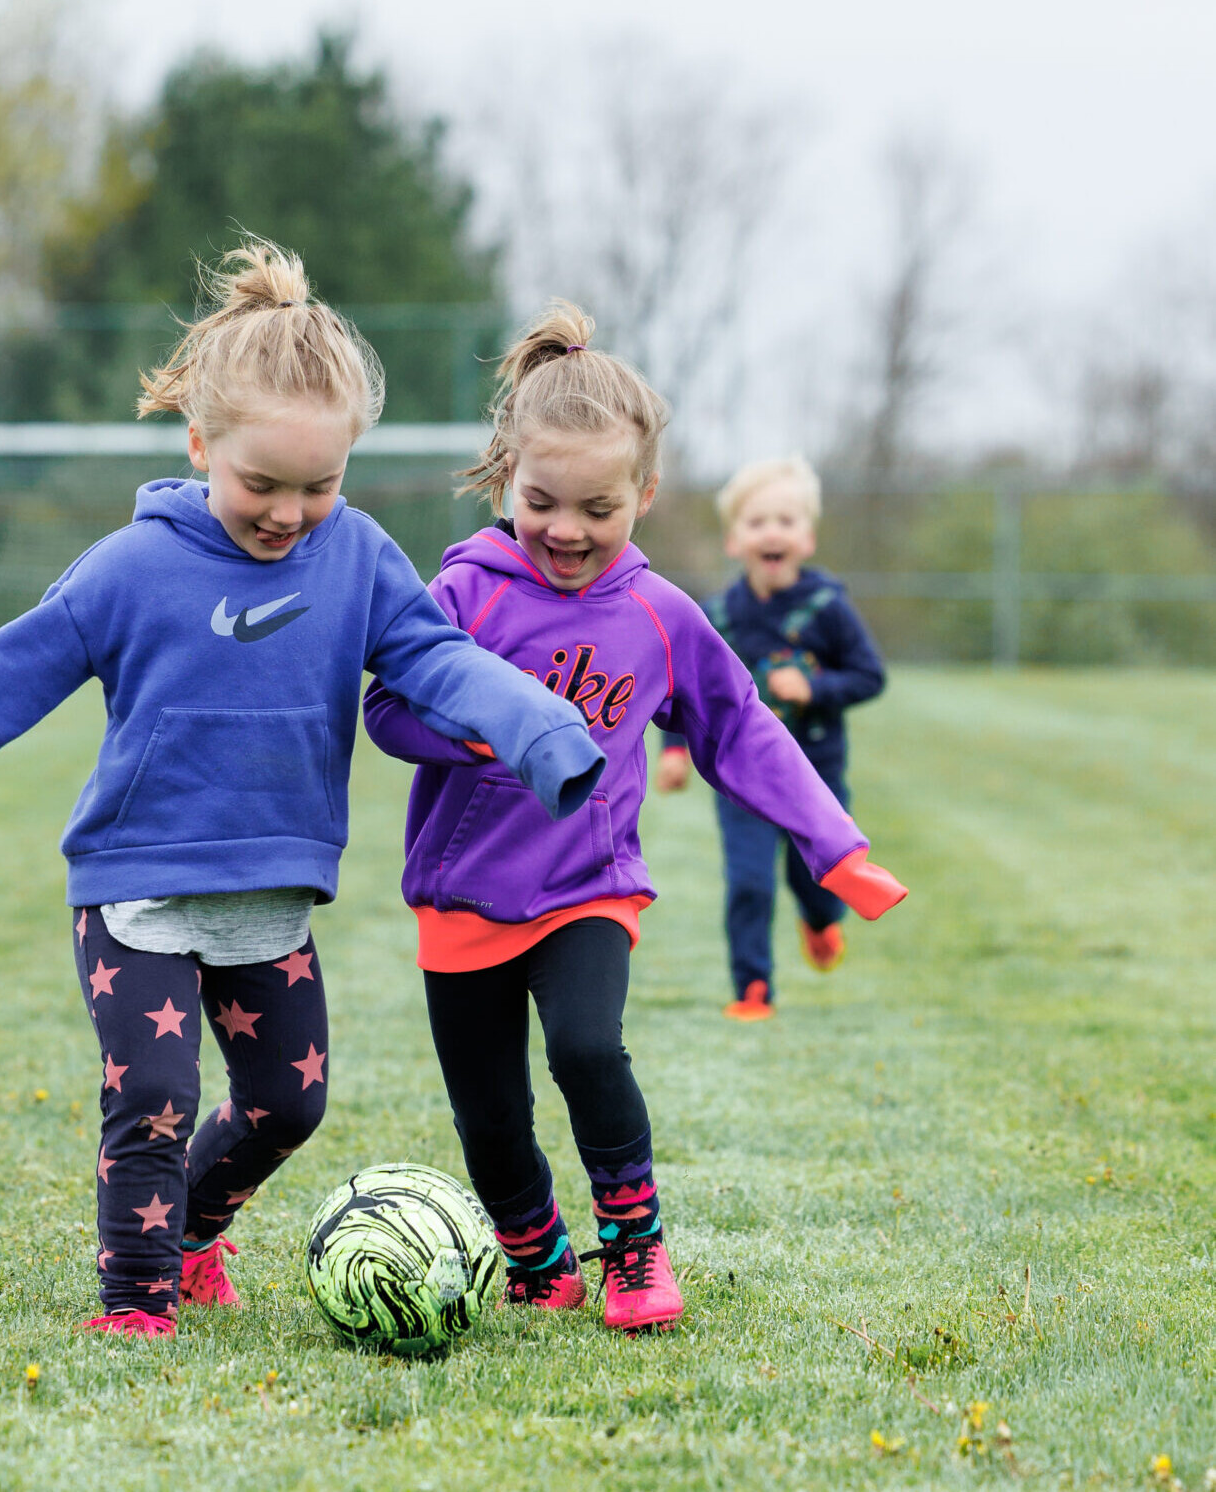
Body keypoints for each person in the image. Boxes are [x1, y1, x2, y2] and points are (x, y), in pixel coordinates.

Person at [0, 243, 604, 1340]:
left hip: (269, 895)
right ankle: (137, 1302)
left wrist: (540, 730)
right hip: (136, 891)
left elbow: (438, 663)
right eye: (262, 483)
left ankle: (192, 1234)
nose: (291, 513)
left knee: (288, 1104)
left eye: (320, 485)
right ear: (201, 443)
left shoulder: (360, 560)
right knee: (154, 1098)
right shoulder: (126, 571)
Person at [363, 303, 906, 1335]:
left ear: (644, 497)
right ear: (504, 481)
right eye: (542, 501)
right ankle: (536, 1252)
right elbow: (386, 708)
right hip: (463, 891)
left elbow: (741, 728)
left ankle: (635, 1248)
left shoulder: (663, 617)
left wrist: (834, 847)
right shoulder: (464, 596)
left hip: (587, 889)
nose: (566, 530)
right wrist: (485, 733)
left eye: (598, 508)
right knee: (489, 1112)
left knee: (587, 1050)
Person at [655, 457, 886, 1021]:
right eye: (757, 522)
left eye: (785, 520)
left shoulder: (828, 609)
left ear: (806, 537)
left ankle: (822, 919)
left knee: (818, 875)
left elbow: (869, 676)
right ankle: (753, 988)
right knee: (749, 882)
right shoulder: (716, 619)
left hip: (816, 775)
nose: (772, 532)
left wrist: (813, 687)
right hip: (743, 778)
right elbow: (687, 691)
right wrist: (676, 750)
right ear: (735, 541)